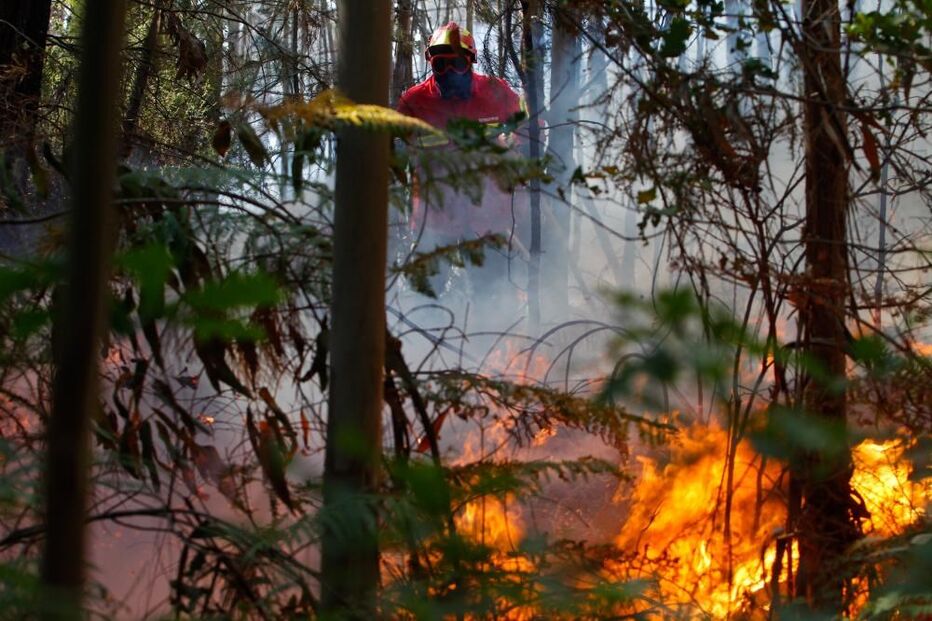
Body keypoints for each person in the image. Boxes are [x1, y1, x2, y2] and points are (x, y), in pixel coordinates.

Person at [396, 22, 527, 307]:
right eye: (441, 65)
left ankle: (490, 347)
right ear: (431, 64)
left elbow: (528, 129)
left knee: (492, 298)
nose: (450, 74)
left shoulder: (496, 92)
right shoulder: (414, 102)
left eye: (457, 64)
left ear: (471, 62)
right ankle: (422, 346)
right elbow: (392, 151)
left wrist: (516, 154)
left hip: (487, 218)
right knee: (423, 297)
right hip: (434, 217)